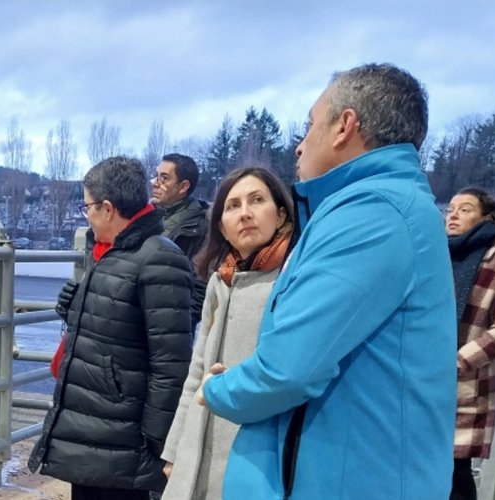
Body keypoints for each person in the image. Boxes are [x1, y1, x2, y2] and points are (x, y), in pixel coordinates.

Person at [198, 63, 457, 498]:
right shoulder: (379, 206)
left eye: (309, 126)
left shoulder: (370, 213)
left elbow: (289, 370)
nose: (299, 147)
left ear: (344, 127)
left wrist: (219, 390)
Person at [28, 156, 194, 500]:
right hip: (95, 426)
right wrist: (75, 307)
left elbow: (171, 361)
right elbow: (114, 324)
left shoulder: (159, 258)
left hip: (123, 437)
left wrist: (155, 439)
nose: (85, 214)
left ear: (107, 208)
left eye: (86, 206)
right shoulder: (112, 252)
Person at [161, 167, 295, 499]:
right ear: (222, 225)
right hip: (198, 444)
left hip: (257, 454)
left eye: (257, 200)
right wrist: (175, 447)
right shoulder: (220, 282)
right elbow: (197, 371)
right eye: (233, 206)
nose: (245, 213)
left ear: (280, 215)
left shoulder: (293, 279)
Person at [444, 187, 495, 500]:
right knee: (419, 463)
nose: (452, 215)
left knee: (455, 468)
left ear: (486, 217)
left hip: (466, 382)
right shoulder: (437, 253)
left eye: (464, 209)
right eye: (450, 209)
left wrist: (459, 361)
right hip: (421, 377)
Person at [151, 153, 211, 325]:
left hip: (170, 323)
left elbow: (201, 284)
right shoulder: (146, 215)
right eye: (156, 176)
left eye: (164, 179)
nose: (155, 183)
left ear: (183, 186)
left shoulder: (201, 226)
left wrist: (182, 323)